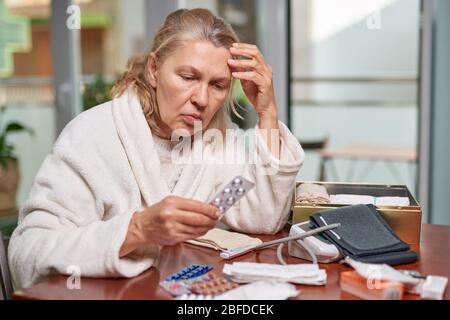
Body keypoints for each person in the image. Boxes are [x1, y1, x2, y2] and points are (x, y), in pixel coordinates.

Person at [8, 8, 305, 289]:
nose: (202, 99)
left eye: (218, 85)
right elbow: (27, 254)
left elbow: (265, 219)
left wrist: (267, 111)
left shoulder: (217, 140)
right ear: (153, 69)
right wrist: (137, 230)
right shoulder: (92, 135)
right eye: (188, 77)